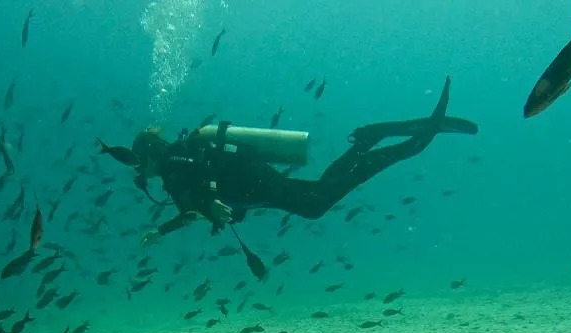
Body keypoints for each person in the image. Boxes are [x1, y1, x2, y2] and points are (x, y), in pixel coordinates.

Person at [132, 76, 477, 246]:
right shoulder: (173, 169)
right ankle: (373, 141)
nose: (138, 170)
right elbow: (191, 210)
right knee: (319, 192)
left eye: (138, 162)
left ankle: (390, 144)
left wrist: (211, 198)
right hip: (257, 185)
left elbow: (204, 170)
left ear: (149, 154)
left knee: (316, 203)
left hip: (258, 183)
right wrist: (163, 229)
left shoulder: (173, 160)